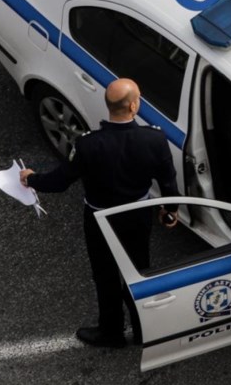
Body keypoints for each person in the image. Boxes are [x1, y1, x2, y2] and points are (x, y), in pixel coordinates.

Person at [20, 78, 179, 348]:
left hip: (100, 219)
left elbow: (59, 183)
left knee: (104, 275)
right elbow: (168, 181)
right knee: (139, 271)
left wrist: (31, 178)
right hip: (138, 216)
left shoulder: (87, 145)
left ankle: (111, 332)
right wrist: (169, 211)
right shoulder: (154, 138)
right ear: (133, 105)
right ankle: (145, 330)